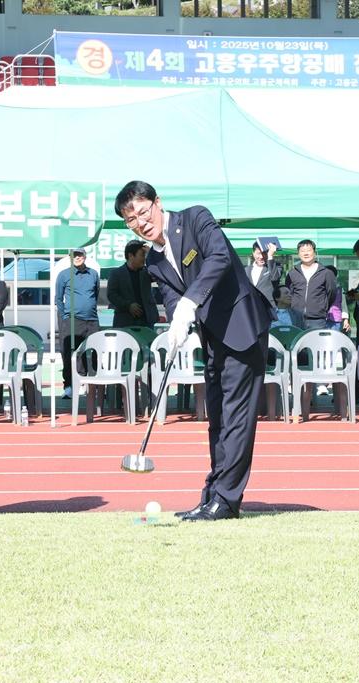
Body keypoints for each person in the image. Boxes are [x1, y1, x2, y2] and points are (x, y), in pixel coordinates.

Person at [115, 180, 274, 522]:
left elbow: (219, 259)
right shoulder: (154, 260)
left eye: (144, 212)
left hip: (243, 328)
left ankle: (227, 500)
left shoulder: (195, 218)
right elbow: (173, 297)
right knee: (216, 417)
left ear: (157, 203)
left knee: (236, 419)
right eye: (132, 220)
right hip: (213, 337)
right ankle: (212, 495)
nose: (141, 223)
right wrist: (176, 324)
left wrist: (190, 301)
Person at [55, 248, 99, 398]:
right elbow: (58, 299)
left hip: (92, 320)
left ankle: (94, 386)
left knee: (94, 352)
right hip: (72, 320)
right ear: (70, 257)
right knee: (70, 354)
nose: (78, 257)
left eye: (80, 255)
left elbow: (96, 294)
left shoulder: (93, 274)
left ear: (85, 256)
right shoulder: (64, 275)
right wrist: (65, 316)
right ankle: (69, 387)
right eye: (75, 255)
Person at [285, 239, 339, 331]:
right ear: (298, 254)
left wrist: (322, 307)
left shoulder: (326, 273)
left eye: (309, 250)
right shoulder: (292, 273)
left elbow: (332, 293)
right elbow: (289, 292)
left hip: (317, 320)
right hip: (296, 318)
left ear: (314, 252)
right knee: (297, 344)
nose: (306, 253)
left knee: (316, 344)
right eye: (302, 251)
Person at [107, 240, 158, 329]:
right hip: (125, 322)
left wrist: (151, 256)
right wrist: (128, 305)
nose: (144, 259)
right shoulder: (116, 273)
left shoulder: (146, 272)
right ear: (131, 256)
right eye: (142, 255)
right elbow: (111, 295)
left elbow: (159, 275)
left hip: (146, 322)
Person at [246, 239, 283, 308]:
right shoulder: (246, 270)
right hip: (252, 307)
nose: (261, 257)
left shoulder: (276, 266)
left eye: (264, 253)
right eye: (258, 253)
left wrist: (270, 256)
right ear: (253, 253)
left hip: (269, 307)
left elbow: (275, 278)